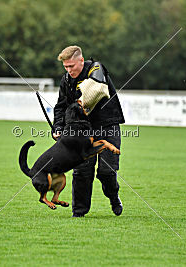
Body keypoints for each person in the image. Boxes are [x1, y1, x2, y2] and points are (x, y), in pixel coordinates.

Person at [52, 45, 125, 217]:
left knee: (107, 172)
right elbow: (61, 107)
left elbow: (96, 88)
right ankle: (79, 213)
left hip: (107, 125)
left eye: (72, 66)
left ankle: (114, 197)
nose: (69, 70)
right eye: (66, 67)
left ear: (81, 61)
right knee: (82, 171)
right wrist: (58, 127)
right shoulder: (66, 80)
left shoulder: (96, 69)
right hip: (83, 131)